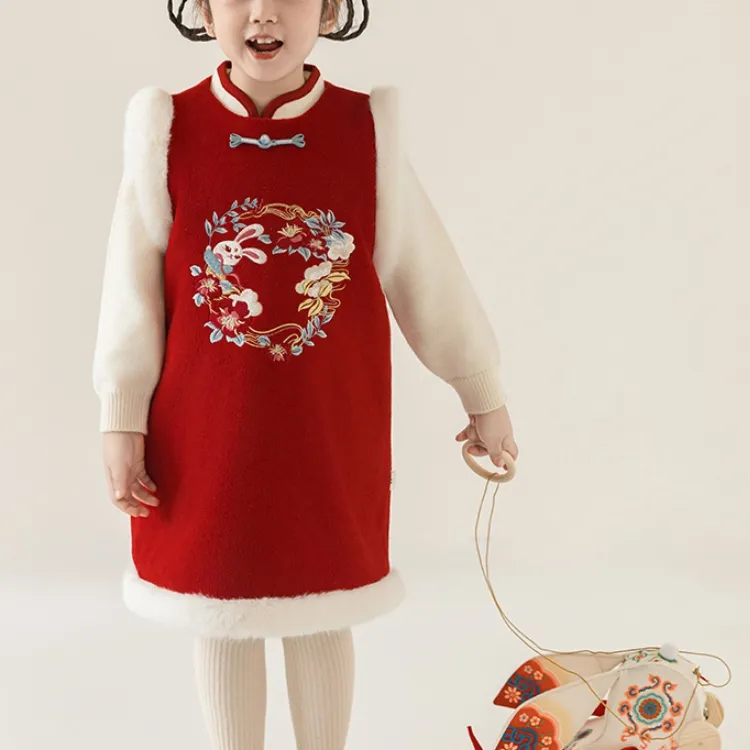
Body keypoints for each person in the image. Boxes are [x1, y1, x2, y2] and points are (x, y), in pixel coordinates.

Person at [92, 0, 519, 747]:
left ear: (327, 9)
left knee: (322, 602)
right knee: (219, 605)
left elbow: (427, 277)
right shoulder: (167, 129)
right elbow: (131, 292)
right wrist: (121, 416)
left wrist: (480, 391)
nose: (264, 13)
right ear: (203, 10)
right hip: (204, 435)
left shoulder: (365, 130)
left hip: (328, 431)